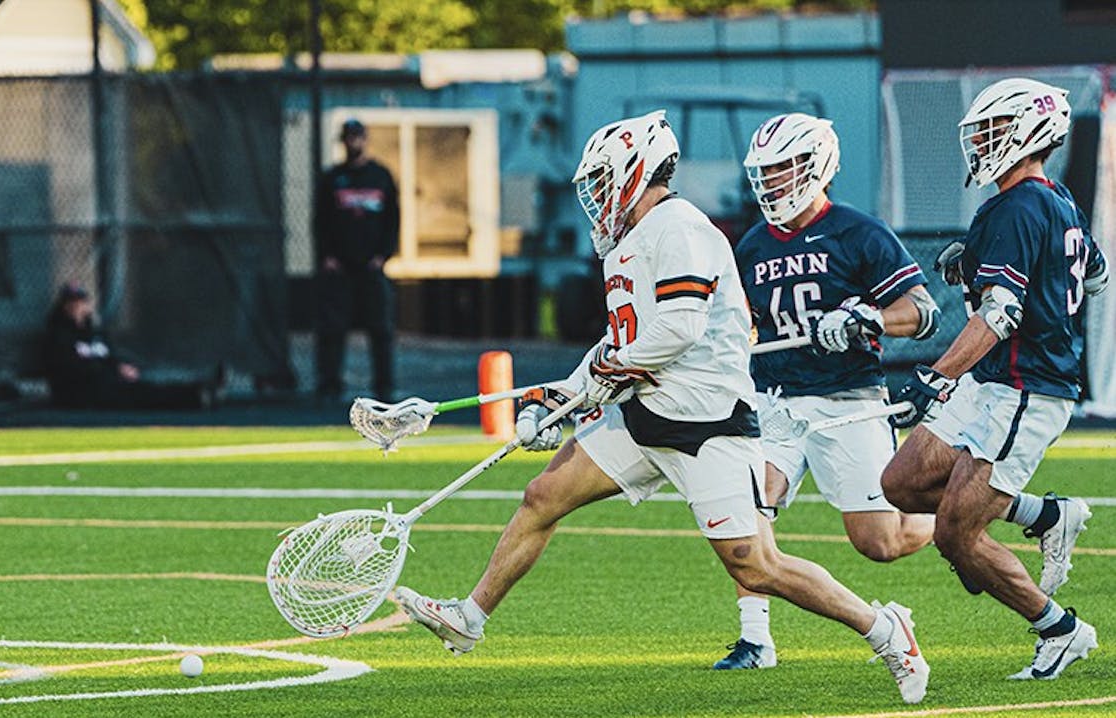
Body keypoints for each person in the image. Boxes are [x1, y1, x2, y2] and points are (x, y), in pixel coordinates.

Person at [393, 112, 929, 704]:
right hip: (648, 416)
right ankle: (470, 617)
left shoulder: (679, 227)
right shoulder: (630, 238)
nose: (597, 194)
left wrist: (609, 374)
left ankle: (884, 629)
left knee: (756, 566)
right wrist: (564, 394)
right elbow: (621, 337)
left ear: (637, 170)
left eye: (604, 179)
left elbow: (679, 326)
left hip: (706, 426)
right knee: (543, 496)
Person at [881, 78, 1108, 680]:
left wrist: (934, 377)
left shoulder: (1018, 206)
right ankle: (1046, 516)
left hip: (1023, 386)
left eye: (993, 130)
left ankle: (1060, 630)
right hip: (994, 379)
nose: (982, 142)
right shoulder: (1055, 199)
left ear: (1029, 132)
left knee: (956, 534)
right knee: (902, 482)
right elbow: (1096, 276)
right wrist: (984, 261)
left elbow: (1000, 314)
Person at [714, 113, 941, 670]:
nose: (771, 182)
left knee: (879, 543)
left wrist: (867, 317)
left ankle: (949, 516)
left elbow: (924, 313)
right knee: (745, 510)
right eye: (765, 171)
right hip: (775, 402)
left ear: (816, 166)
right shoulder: (752, 245)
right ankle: (755, 639)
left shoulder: (858, 232)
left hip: (847, 399)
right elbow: (746, 324)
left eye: (782, 168)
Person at [314, 118, 399, 402]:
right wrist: (327, 256)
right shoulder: (332, 179)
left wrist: (383, 255)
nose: (354, 143)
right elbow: (320, 221)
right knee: (332, 329)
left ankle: (384, 386)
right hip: (340, 268)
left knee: (381, 328)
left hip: (371, 267)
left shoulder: (380, 176)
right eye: (349, 138)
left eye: (357, 137)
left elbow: (393, 220)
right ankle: (329, 384)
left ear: (365, 139)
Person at [42, 283, 218, 410]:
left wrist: (120, 367)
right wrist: (111, 370)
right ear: (64, 306)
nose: (77, 307)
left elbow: (110, 356)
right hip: (81, 392)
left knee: (149, 384)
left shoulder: (95, 333)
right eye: (72, 303)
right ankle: (196, 395)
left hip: (108, 383)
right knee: (142, 395)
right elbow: (71, 368)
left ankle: (199, 389)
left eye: (81, 302)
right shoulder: (58, 335)